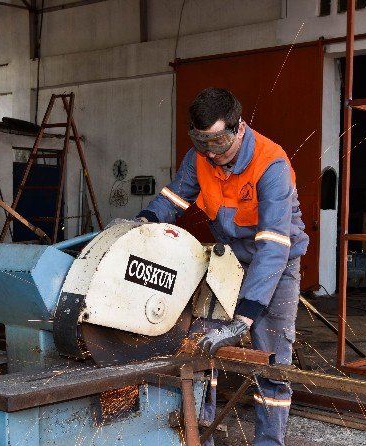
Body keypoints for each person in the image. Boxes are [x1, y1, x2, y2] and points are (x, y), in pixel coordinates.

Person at [136, 87, 308, 445]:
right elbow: (173, 198)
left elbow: (274, 246)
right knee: (201, 345)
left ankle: (269, 442)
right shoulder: (199, 157)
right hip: (228, 258)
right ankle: (203, 437)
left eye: (218, 143)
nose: (212, 154)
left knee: (271, 359)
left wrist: (244, 316)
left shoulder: (271, 164)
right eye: (203, 144)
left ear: (239, 128)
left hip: (276, 262)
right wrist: (141, 222)